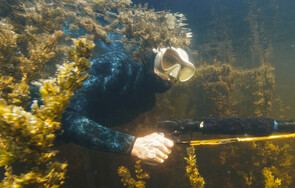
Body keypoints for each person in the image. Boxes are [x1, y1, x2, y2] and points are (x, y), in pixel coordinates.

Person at [61, 47, 195, 165]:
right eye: (169, 61)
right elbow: (65, 117)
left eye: (181, 69)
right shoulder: (117, 66)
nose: (172, 73)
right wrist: (132, 145)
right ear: (154, 53)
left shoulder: (147, 102)